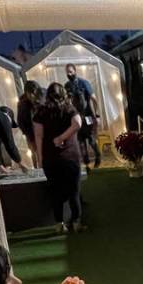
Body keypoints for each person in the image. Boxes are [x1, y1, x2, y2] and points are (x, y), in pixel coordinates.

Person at [33, 83, 85, 233]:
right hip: (70, 157)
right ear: (63, 93)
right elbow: (77, 123)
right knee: (73, 190)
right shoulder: (69, 108)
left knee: (55, 192)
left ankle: (59, 224)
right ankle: (76, 222)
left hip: (50, 158)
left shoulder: (41, 112)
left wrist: (40, 158)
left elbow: (38, 136)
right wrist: (62, 137)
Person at [65, 63, 101, 171]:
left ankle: (98, 156)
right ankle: (87, 164)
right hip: (77, 118)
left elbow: (94, 99)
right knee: (80, 141)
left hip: (88, 116)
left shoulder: (84, 83)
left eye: (70, 71)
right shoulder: (67, 85)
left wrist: (97, 115)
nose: (69, 74)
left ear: (75, 71)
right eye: (67, 72)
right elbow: (67, 102)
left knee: (91, 139)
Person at [17, 80, 42, 168]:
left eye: (34, 93)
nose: (32, 96)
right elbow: (20, 119)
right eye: (30, 93)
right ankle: (36, 167)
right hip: (30, 131)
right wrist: (25, 131)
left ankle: (42, 167)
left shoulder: (40, 100)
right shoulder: (22, 104)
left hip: (40, 130)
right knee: (34, 150)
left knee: (41, 150)